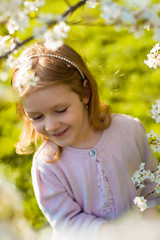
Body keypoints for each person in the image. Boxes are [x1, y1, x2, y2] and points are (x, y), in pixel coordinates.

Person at [11, 42, 160, 240]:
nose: (51, 125)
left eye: (60, 110)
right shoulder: (47, 166)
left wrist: (150, 222)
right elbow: (66, 220)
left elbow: (150, 179)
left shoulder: (129, 131)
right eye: (37, 117)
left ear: (85, 93)